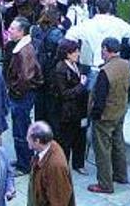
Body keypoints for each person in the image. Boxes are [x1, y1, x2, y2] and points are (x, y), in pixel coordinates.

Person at [88, 37, 130, 194]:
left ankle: (105, 183)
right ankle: (121, 174)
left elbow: (100, 98)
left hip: (105, 116)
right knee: (118, 142)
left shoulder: (105, 72)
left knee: (102, 149)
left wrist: (95, 115)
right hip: (120, 110)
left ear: (106, 49)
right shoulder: (126, 65)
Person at [5, 17, 43, 176]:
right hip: (21, 95)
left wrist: (15, 91)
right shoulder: (19, 47)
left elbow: (25, 78)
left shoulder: (24, 51)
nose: (9, 30)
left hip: (22, 96)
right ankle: (24, 159)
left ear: (21, 32)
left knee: (21, 130)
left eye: (13, 29)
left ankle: (24, 164)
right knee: (20, 128)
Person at [52, 39, 88, 174]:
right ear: (67, 53)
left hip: (80, 109)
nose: (78, 54)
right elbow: (64, 93)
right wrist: (81, 85)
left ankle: (79, 163)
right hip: (67, 112)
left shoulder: (76, 65)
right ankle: (63, 165)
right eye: (75, 51)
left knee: (80, 138)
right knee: (66, 140)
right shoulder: (60, 69)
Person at [26, 120, 75, 205]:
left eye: (28, 138)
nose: (26, 140)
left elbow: (58, 200)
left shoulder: (55, 166)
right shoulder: (47, 147)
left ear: (37, 141)